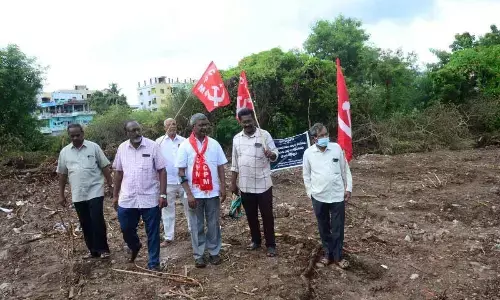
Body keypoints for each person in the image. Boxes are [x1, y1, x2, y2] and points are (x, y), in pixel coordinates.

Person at [112, 120, 168, 271]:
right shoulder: (122, 148)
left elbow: (162, 170)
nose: (137, 133)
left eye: (138, 130)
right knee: (126, 228)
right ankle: (135, 245)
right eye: (133, 131)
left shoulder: (152, 146)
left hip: (150, 197)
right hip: (128, 197)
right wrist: (115, 195)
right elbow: (118, 172)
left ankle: (154, 263)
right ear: (127, 133)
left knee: (153, 232)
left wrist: (163, 194)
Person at [176, 113, 227, 268]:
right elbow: (181, 172)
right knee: (196, 224)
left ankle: (213, 252)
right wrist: (189, 194)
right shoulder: (184, 146)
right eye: (201, 125)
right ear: (193, 127)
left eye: (206, 124)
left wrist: (223, 187)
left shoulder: (214, 144)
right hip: (193, 194)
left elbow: (220, 167)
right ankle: (199, 255)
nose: (205, 127)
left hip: (212, 192)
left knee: (213, 223)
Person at [57, 123, 113, 259]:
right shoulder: (65, 152)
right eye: (72, 136)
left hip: (95, 190)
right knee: (85, 222)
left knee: (97, 219)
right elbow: (63, 174)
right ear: (69, 136)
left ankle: (103, 249)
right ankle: (93, 251)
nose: (75, 138)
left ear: (83, 134)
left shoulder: (94, 147)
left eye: (78, 135)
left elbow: (105, 167)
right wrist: (61, 195)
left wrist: (111, 185)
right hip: (78, 193)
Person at [302, 123, 352, 268]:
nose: (325, 138)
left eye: (326, 134)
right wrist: (310, 193)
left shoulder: (336, 148)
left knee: (338, 227)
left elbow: (345, 169)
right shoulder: (308, 153)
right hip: (318, 196)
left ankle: (338, 257)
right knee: (323, 227)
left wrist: (348, 188)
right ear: (314, 139)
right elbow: (306, 175)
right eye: (321, 136)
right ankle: (327, 254)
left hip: (337, 195)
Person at [230, 108, 279, 257]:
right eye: (244, 122)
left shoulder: (264, 135)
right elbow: (235, 163)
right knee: (251, 215)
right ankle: (256, 240)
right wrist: (233, 183)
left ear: (254, 120)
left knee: (267, 216)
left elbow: (276, 154)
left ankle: (270, 245)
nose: (247, 124)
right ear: (240, 122)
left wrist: (271, 154)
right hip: (245, 185)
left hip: (263, 184)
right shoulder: (236, 139)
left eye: (249, 121)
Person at [156, 118, 190, 246]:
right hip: (167, 182)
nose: (172, 126)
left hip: (183, 181)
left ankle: (194, 232)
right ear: (164, 127)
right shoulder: (158, 142)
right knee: (167, 209)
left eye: (174, 124)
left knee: (189, 207)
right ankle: (168, 237)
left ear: (177, 126)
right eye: (168, 124)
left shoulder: (184, 141)